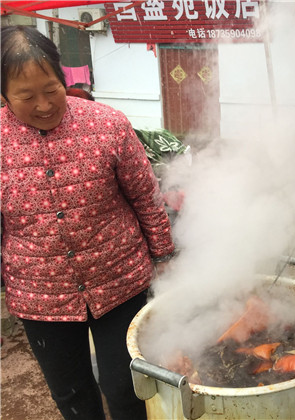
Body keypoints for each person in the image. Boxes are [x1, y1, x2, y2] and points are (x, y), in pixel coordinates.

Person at [1, 26, 176, 420]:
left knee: (128, 386)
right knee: (72, 395)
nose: (44, 104)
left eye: (51, 89)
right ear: (3, 96)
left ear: (64, 78)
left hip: (120, 280)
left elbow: (145, 196)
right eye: (26, 96)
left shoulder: (108, 125)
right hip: (39, 296)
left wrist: (163, 254)